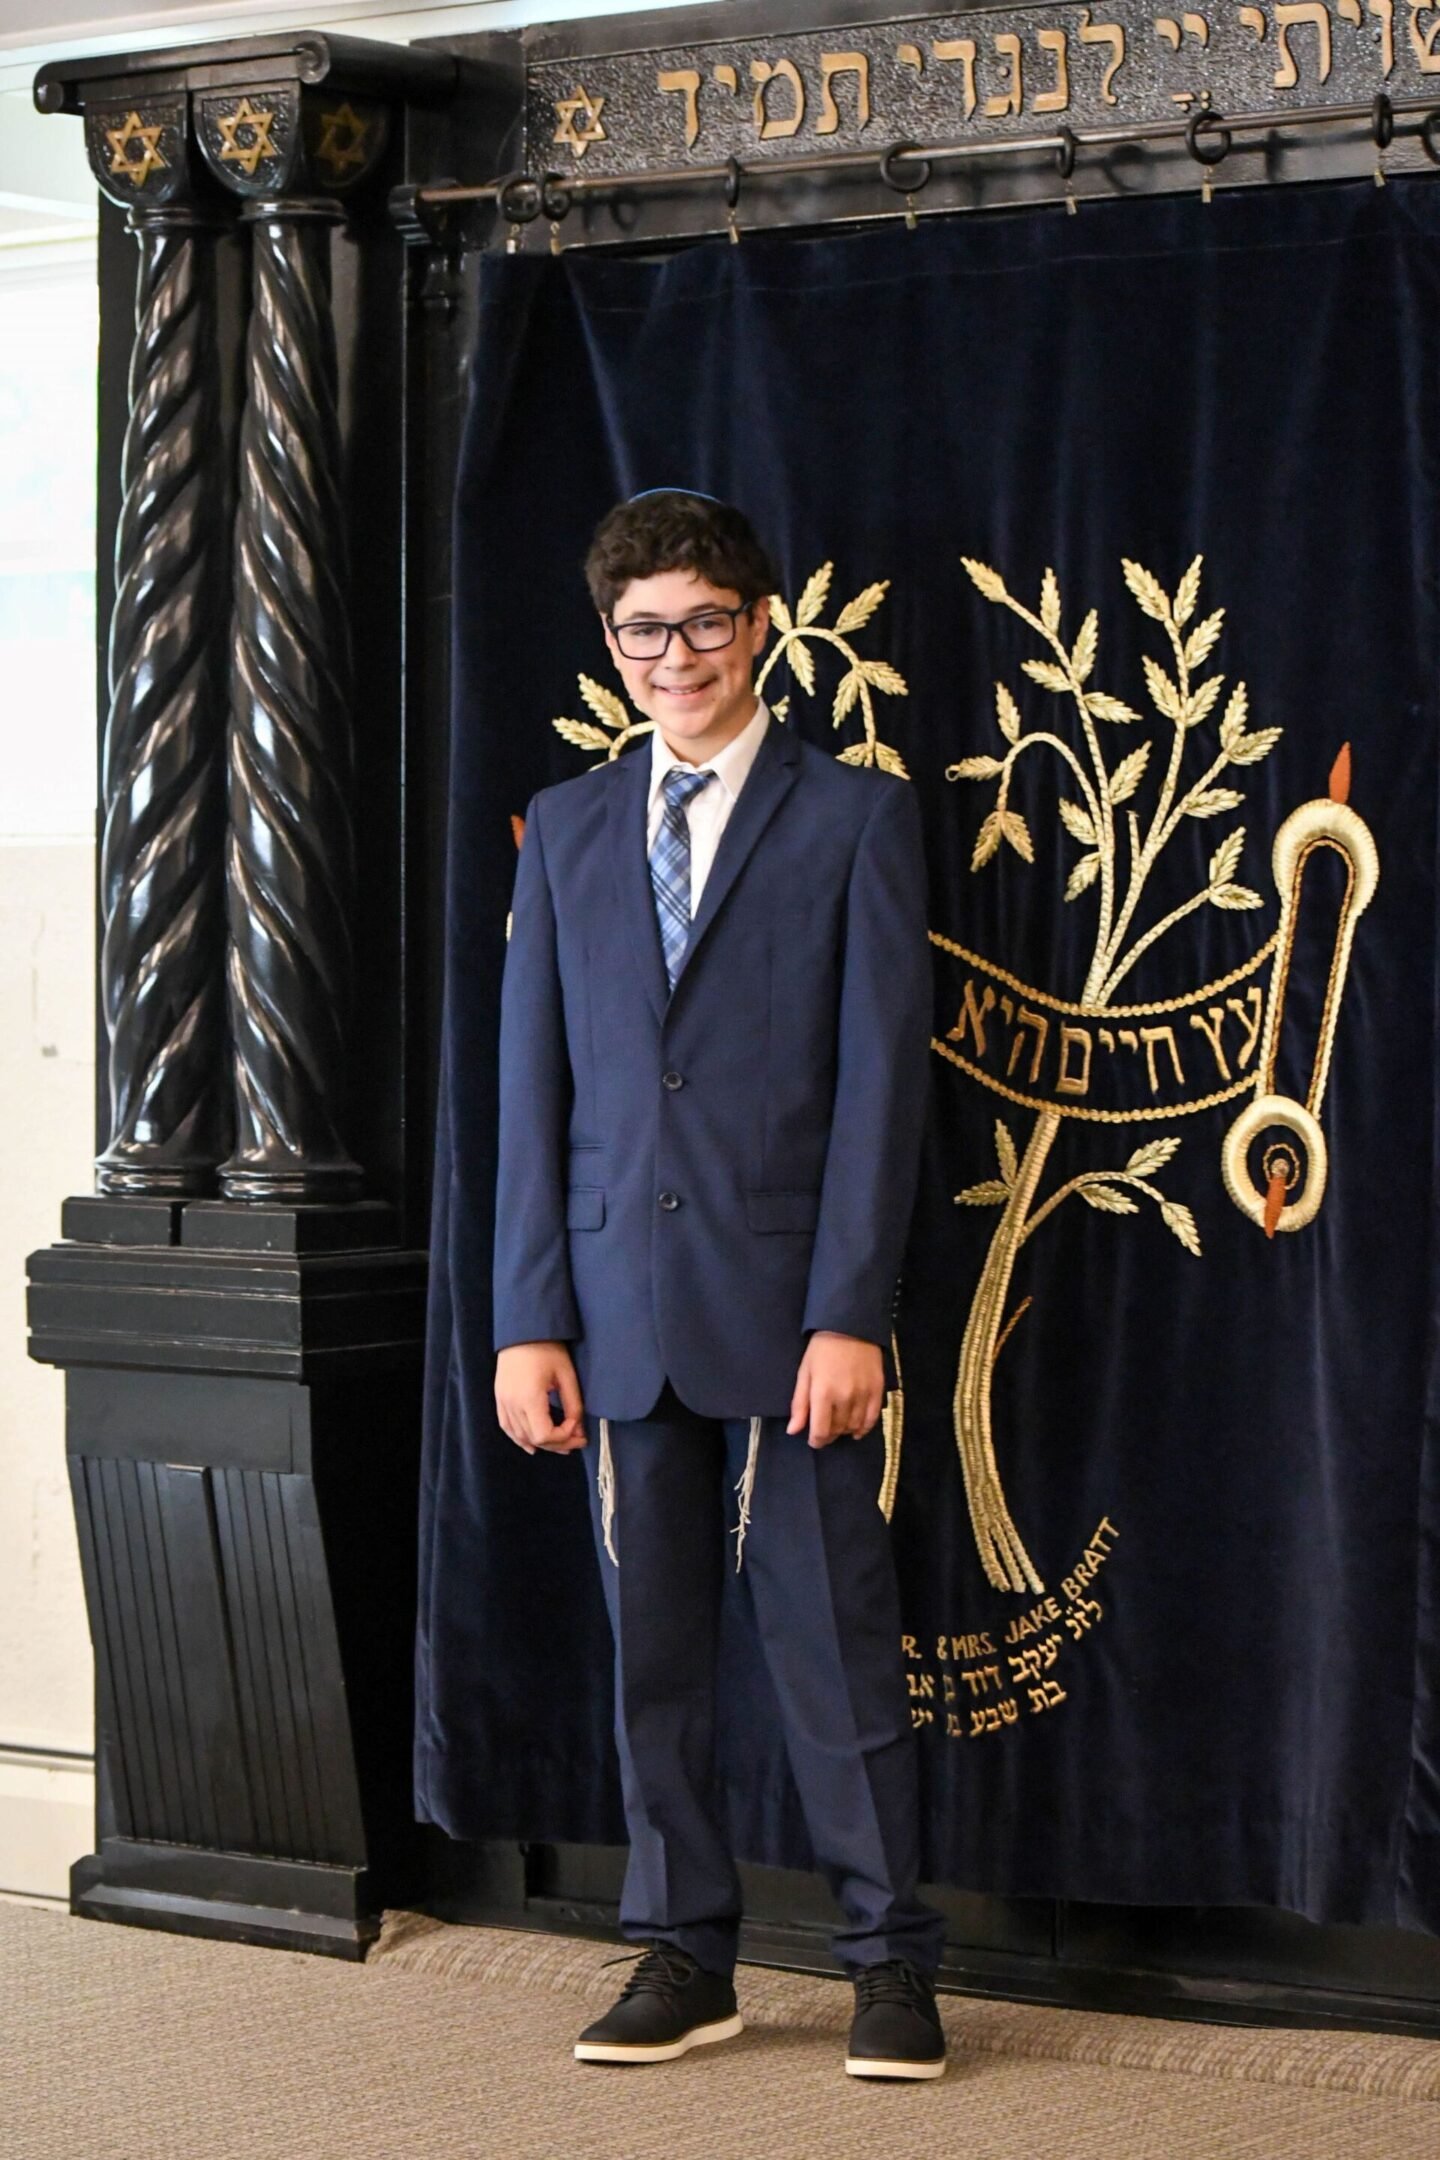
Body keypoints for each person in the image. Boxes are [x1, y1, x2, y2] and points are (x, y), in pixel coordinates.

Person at [492, 489, 946, 2080]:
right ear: (611, 642)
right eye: (642, 629)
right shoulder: (569, 828)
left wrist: (850, 1313)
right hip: (617, 1313)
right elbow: (534, 1095)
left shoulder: (856, 818)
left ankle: (891, 1965)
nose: (673, 655)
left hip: (790, 1317)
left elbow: (884, 1089)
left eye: (701, 622)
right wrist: (527, 1319)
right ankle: (683, 1952)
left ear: (757, 625)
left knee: (837, 1658)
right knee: (656, 1666)